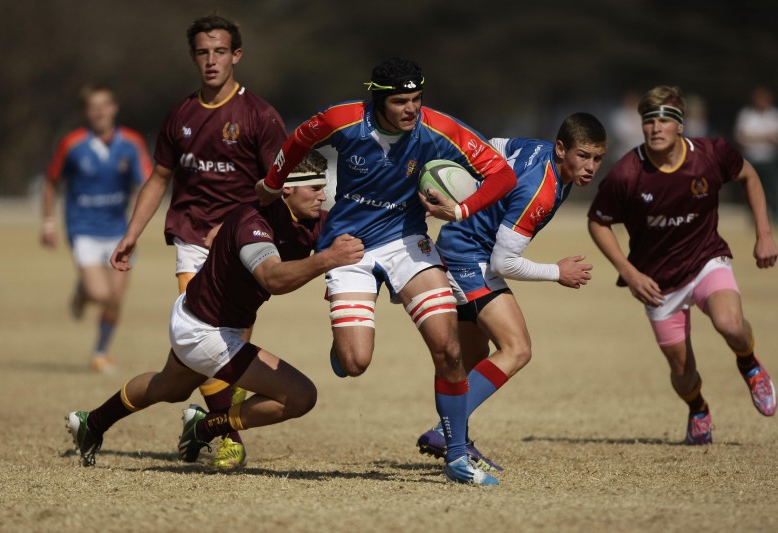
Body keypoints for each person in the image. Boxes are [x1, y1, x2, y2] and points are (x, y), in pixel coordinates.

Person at [256, 57, 518, 486]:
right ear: (377, 100)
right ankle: (341, 353)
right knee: (356, 362)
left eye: (416, 99)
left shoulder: (438, 128)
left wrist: (461, 209)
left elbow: (501, 175)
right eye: (400, 102)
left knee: (448, 349)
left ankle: (456, 456)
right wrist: (272, 183)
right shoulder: (344, 120)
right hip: (349, 247)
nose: (411, 109)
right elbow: (300, 138)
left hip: (407, 242)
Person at [66, 151, 364, 467]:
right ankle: (207, 426)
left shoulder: (310, 220)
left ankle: (91, 423)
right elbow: (271, 278)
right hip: (206, 332)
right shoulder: (254, 224)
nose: (322, 195)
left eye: (323, 187)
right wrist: (327, 259)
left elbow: (362, 233)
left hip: (199, 318)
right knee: (301, 396)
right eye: (315, 188)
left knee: (169, 387)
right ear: (287, 188)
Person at [110, 14, 288, 469]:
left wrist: (236, 227)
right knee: (209, 339)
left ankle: (185, 421)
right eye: (203, 53)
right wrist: (132, 233)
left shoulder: (260, 116)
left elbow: (277, 185)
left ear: (236, 56)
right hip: (191, 236)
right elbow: (159, 178)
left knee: (211, 359)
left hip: (245, 245)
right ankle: (227, 438)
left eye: (220, 52)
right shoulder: (181, 115)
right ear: (194, 57)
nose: (211, 61)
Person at [587, 85, 778, 445]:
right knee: (682, 371)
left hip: (706, 259)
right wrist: (629, 273)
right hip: (657, 283)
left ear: (680, 126)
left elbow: (750, 176)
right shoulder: (628, 173)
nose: (656, 128)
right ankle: (698, 409)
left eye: (664, 120)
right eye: (649, 122)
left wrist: (764, 233)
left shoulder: (710, 154)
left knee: (730, 324)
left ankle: (750, 364)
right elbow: (598, 221)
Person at [415, 113, 606, 471]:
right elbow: (504, 263)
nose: (591, 166)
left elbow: (493, 147)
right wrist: (556, 272)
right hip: (470, 259)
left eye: (597, 158)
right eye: (583, 156)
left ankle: (459, 439)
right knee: (517, 349)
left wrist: (467, 191)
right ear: (562, 149)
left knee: (474, 359)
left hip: (460, 248)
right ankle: (445, 432)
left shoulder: (536, 148)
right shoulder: (541, 192)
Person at [41, 84, 152, 373]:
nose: (100, 111)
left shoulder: (131, 142)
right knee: (100, 293)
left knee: (115, 298)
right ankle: (83, 292)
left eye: (105, 105)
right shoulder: (73, 144)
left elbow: (149, 181)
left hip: (119, 231)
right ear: (86, 112)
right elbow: (51, 181)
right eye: (94, 106)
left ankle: (100, 352)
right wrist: (48, 221)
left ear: (114, 108)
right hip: (84, 229)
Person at [734, 85, 778, 222]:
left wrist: (753, 137)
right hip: (751, 159)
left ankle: (775, 216)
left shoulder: (774, 114)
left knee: (772, 190)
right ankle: (753, 217)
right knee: (750, 189)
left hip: (769, 159)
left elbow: (775, 139)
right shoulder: (746, 114)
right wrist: (765, 136)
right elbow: (740, 137)